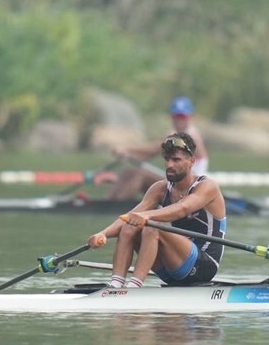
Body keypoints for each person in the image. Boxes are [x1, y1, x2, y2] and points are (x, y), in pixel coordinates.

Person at [88, 131, 226, 289]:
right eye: (167, 159)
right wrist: (103, 234)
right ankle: (116, 285)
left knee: (152, 228)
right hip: (172, 268)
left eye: (176, 160)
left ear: (191, 161)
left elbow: (182, 208)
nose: (169, 165)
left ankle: (134, 287)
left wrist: (145, 217)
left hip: (203, 266)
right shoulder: (160, 189)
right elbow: (129, 216)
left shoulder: (207, 186)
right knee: (129, 225)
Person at [107, 96, 210, 200]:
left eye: (182, 117)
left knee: (140, 175)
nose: (179, 120)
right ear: (172, 117)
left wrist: (127, 149)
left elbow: (157, 148)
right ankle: (109, 202)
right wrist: (129, 156)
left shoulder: (192, 136)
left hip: (190, 189)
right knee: (128, 173)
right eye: (176, 117)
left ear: (189, 117)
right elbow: (150, 154)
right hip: (177, 182)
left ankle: (118, 206)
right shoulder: (173, 133)